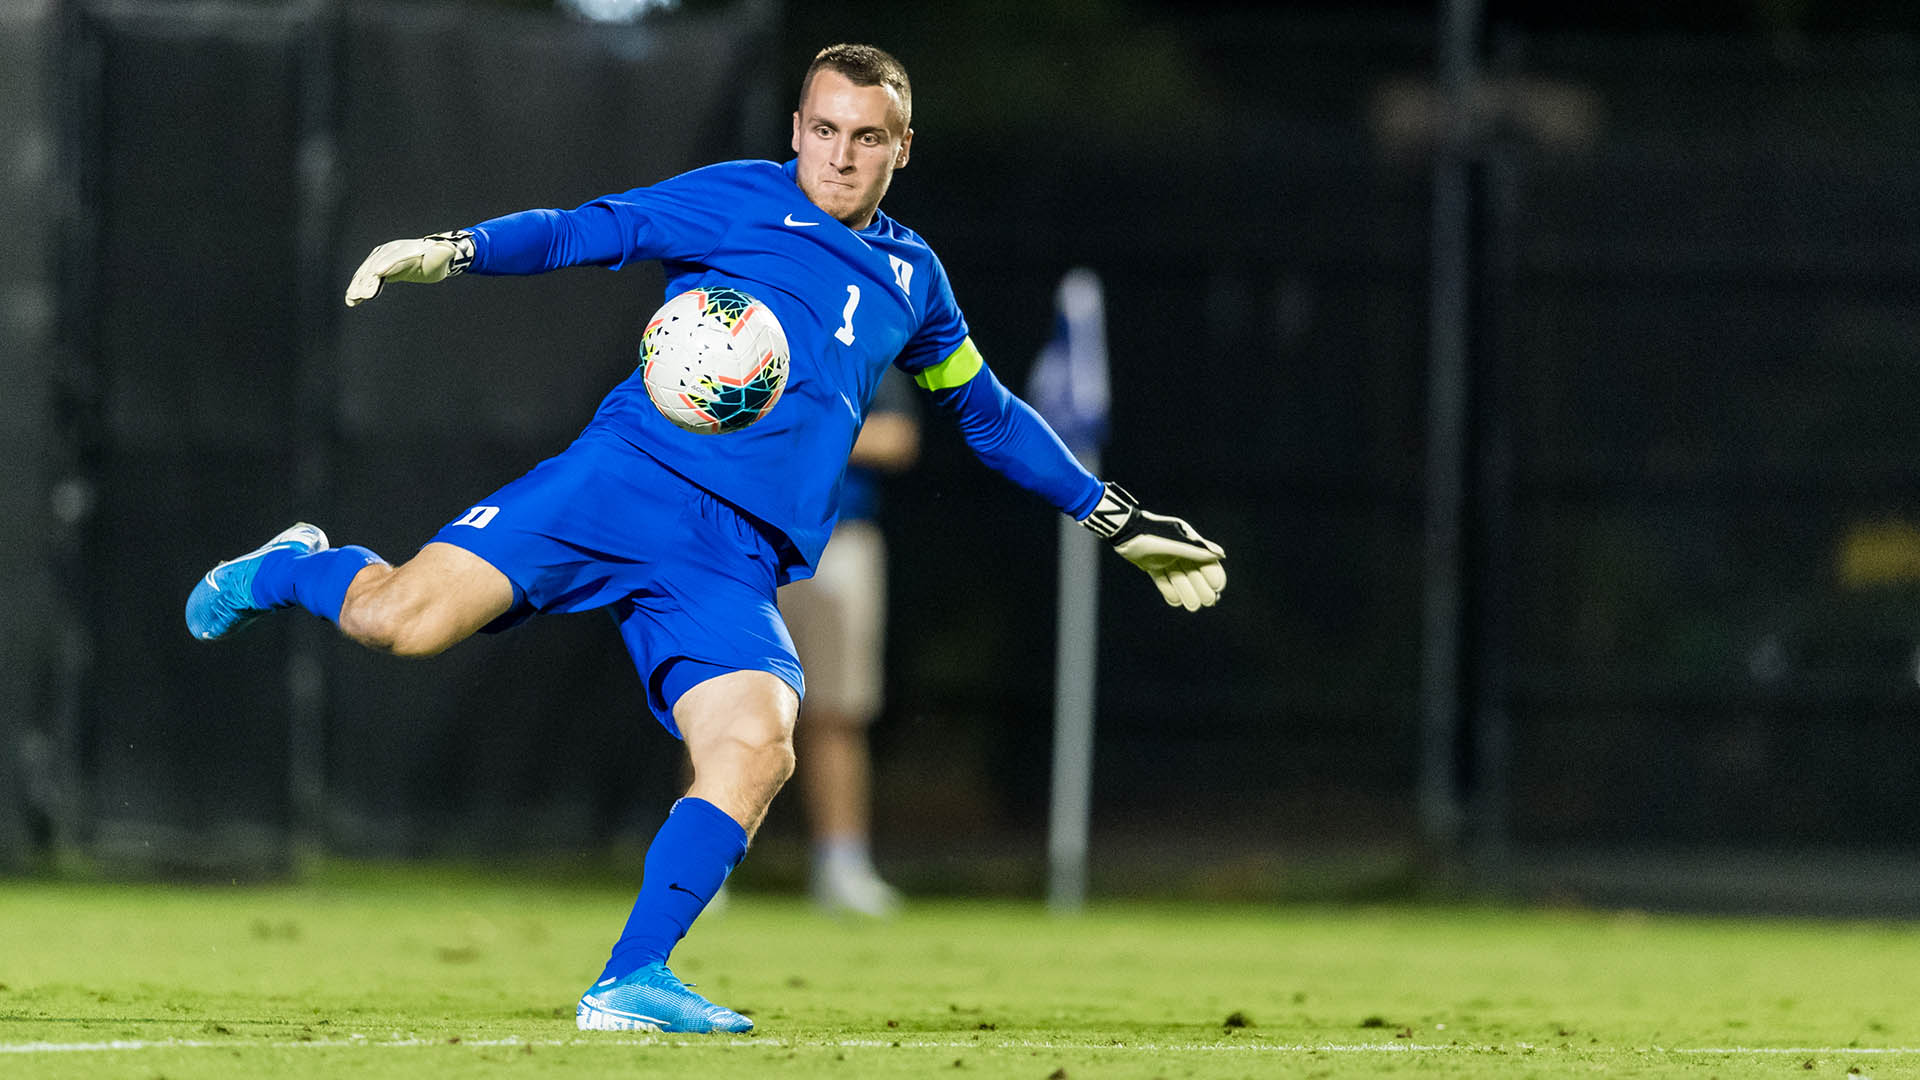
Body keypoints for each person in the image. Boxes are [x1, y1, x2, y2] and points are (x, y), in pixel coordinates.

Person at [184, 43, 1225, 1035]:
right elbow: (590, 230)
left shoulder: (913, 282)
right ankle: (292, 566)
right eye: (823, 129)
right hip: (619, 483)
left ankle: (632, 977)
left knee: (759, 740)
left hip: (730, 555)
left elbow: (987, 415)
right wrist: (456, 251)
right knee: (397, 623)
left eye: (867, 137)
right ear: (797, 128)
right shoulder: (738, 197)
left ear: (903, 147)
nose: (841, 154)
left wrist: (1115, 518)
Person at [781, 367, 918, 918]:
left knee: (837, 710)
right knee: (721, 703)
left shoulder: (864, 333)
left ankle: (841, 863)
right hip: (740, 533)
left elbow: (897, 437)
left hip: (839, 539)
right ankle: (700, 870)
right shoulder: (732, 321)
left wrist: (803, 431)